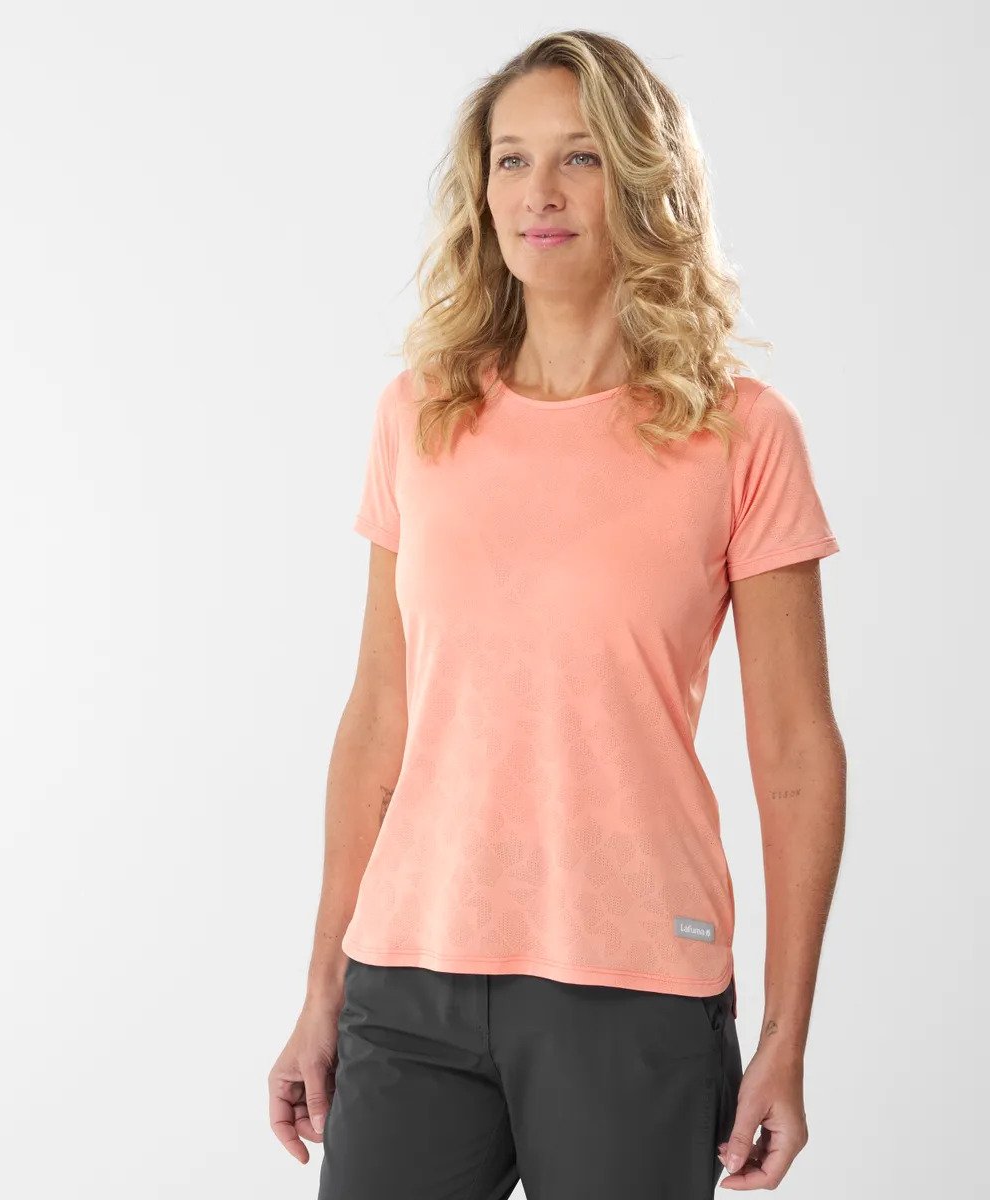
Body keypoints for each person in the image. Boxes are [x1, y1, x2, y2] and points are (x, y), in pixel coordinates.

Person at [268, 29, 845, 1199]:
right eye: (512, 159)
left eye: (580, 157)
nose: (540, 192)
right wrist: (322, 987)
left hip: (635, 989)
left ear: (641, 180)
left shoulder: (740, 432)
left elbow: (795, 756)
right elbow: (378, 717)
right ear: (481, 190)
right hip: (407, 988)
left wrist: (786, 1038)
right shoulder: (420, 415)